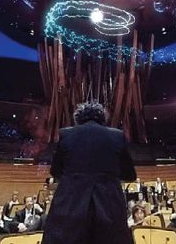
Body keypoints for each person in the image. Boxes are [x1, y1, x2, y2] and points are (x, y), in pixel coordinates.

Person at [41, 101, 137, 244]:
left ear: (78, 118)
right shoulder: (117, 136)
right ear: (102, 118)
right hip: (109, 209)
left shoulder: (65, 134)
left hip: (70, 208)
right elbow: (130, 174)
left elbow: (55, 171)